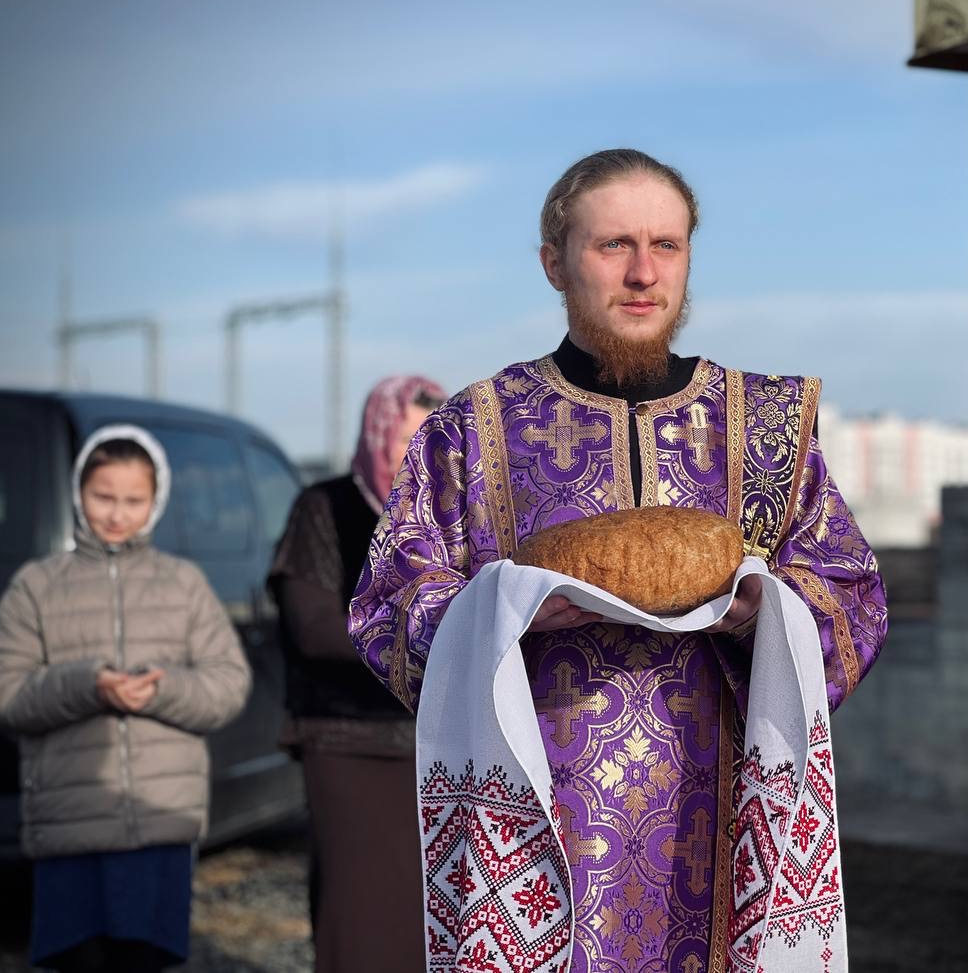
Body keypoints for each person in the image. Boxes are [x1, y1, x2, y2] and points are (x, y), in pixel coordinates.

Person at [348, 148, 889, 970]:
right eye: (614, 245)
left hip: (724, 813)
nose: (644, 272)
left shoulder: (766, 426)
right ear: (554, 264)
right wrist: (503, 616)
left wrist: (767, 615)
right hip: (537, 825)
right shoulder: (470, 432)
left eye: (666, 245)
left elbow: (854, 594)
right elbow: (387, 604)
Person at [0, 425, 251, 973]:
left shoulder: (183, 584)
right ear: (78, 492)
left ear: (155, 501)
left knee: (144, 961)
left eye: (133, 500)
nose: (117, 514)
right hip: (69, 827)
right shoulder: (36, 586)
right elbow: (10, 696)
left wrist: (162, 689)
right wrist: (88, 685)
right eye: (103, 497)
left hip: (159, 825)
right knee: (79, 961)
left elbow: (229, 684)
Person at [268, 375, 446, 973]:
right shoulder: (324, 508)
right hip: (347, 742)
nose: (416, 454)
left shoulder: (449, 520)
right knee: (360, 909)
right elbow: (313, 627)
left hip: (432, 744)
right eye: (404, 439)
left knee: (429, 914)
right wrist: (424, 633)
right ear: (376, 435)